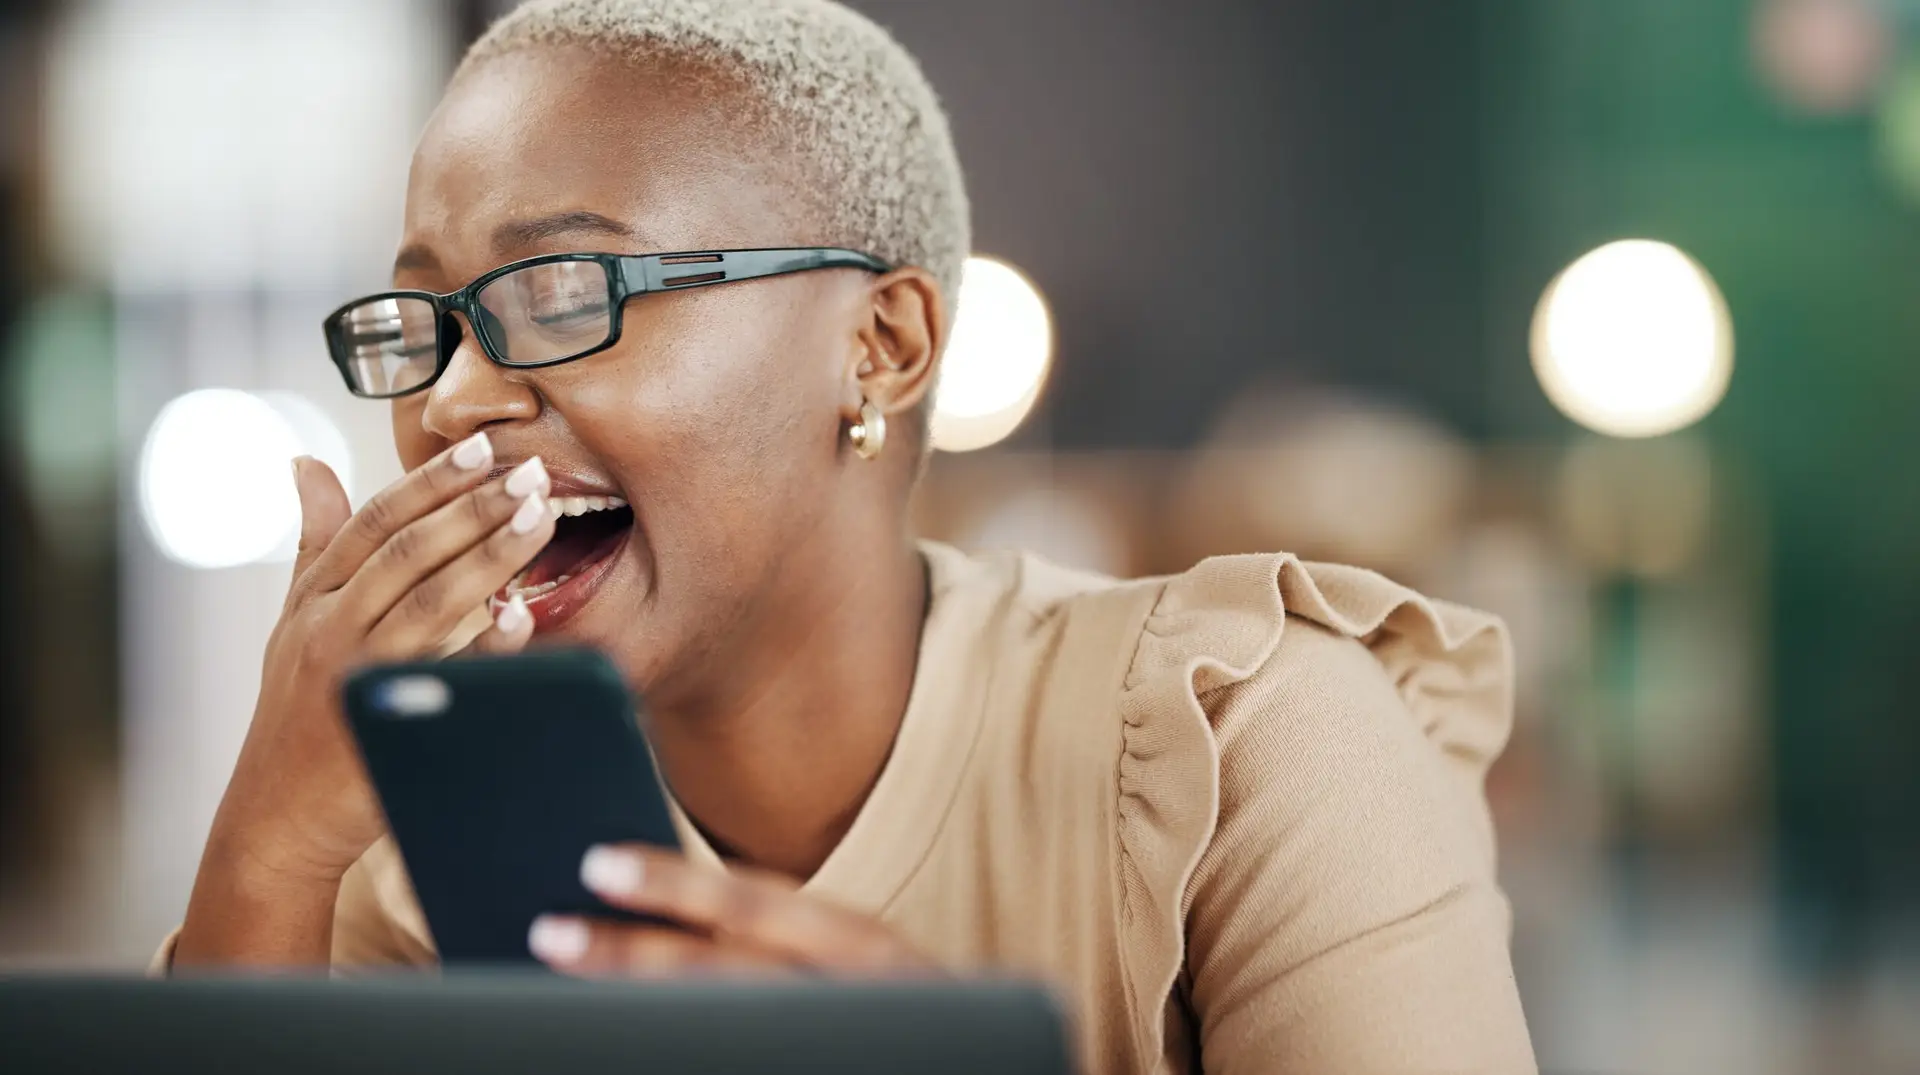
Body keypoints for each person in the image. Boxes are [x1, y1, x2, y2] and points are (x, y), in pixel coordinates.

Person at [161, 1, 1537, 1071]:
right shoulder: (431, 865)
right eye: (433, 319)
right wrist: (268, 853)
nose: (452, 399)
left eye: (564, 287)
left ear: (880, 347)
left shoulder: (1249, 742)